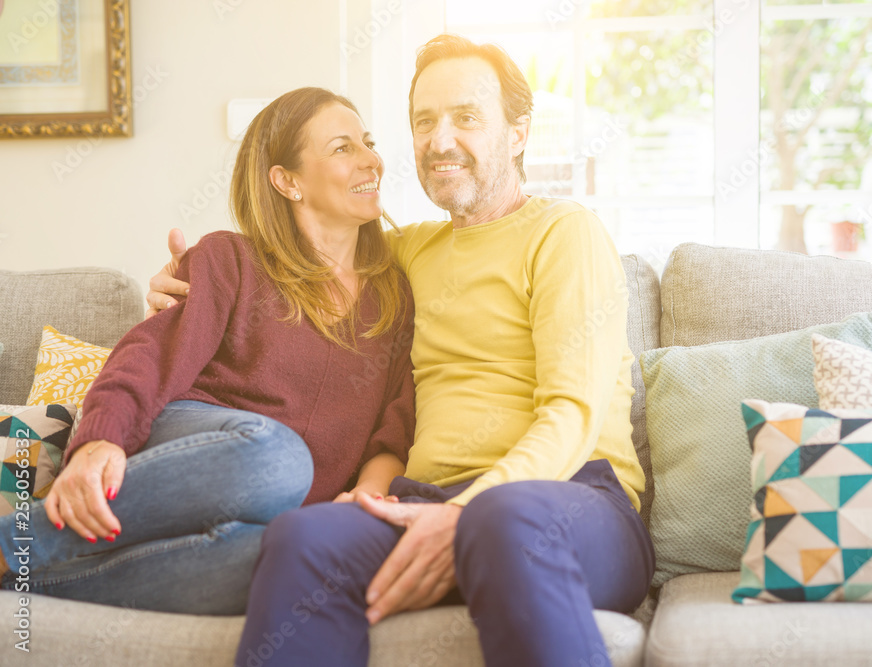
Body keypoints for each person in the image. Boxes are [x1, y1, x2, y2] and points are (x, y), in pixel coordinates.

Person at [146, 34, 653, 665]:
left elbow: (572, 415)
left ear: (519, 134)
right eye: (423, 122)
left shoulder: (564, 233)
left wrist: (466, 513)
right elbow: (296, 261)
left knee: (502, 522)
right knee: (305, 537)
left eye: (466, 118)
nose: (440, 140)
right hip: (428, 503)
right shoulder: (404, 254)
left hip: (574, 502)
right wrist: (188, 285)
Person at [0, 87, 416, 615]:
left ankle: (25, 581)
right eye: (342, 148)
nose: (371, 159)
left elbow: (395, 422)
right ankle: (20, 539)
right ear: (287, 180)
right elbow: (147, 355)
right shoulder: (230, 258)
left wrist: (367, 498)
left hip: (272, 514)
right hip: (205, 439)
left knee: (284, 561)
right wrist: (97, 442)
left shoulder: (395, 296)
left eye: (369, 143)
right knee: (279, 457)